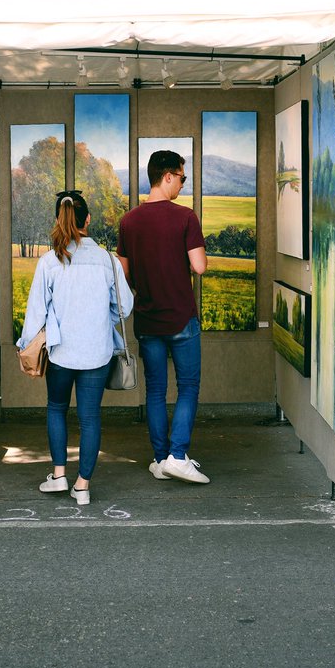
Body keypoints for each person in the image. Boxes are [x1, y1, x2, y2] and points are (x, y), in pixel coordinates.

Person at [16, 190, 133, 506]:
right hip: (97, 352)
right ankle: (82, 485)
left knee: (56, 408)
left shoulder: (49, 260)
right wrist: (99, 317)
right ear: (89, 220)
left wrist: (25, 345)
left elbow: (37, 312)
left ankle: (58, 475)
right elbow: (124, 307)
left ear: (58, 219)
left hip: (61, 353)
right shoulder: (106, 259)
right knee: (90, 417)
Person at [117, 150, 210, 484]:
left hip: (147, 320)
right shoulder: (186, 218)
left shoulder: (128, 221)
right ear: (168, 175)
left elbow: (124, 275)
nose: (183, 186)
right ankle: (179, 456)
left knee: (155, 391)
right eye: (182, 178)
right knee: (188, 387)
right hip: (181, 317)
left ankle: (160, 460)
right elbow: (199, 267)